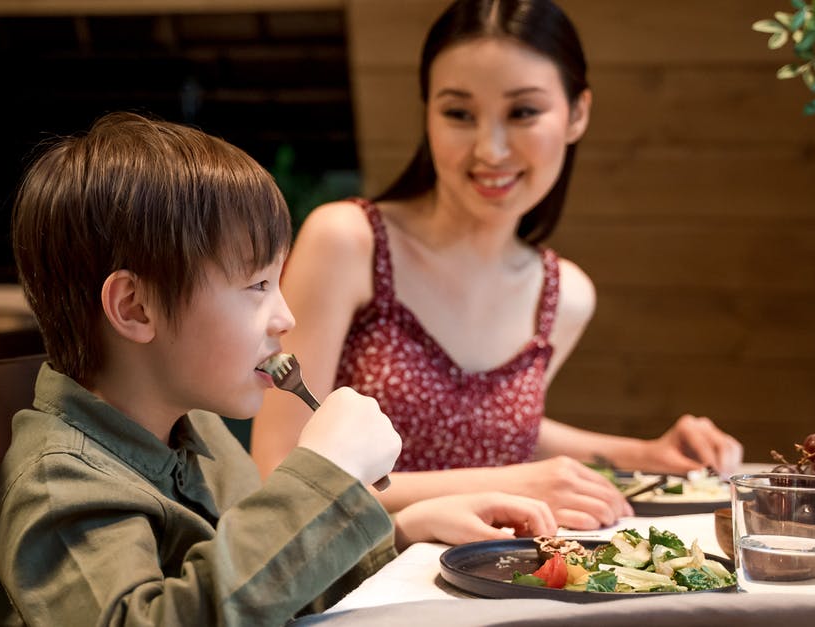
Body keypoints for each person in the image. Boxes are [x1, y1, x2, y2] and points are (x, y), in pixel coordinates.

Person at [0, 112, 557, 626]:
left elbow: (266, 586)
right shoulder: (60, 484)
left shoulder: (198, 434)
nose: (285, 316)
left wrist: (404, 530)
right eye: (256, 285)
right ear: (135, 307)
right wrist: (325, 473)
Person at [249, 0, 743, 531]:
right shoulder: (349, 241)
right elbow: (280, 475)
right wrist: (511, 481)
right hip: (353, 591)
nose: (491, 148)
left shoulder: (565, 294)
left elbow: (485, 421)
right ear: (427, 113)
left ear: (577, 114)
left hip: (496, 578)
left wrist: (645, 453)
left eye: (523, 112)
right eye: (459, 114)